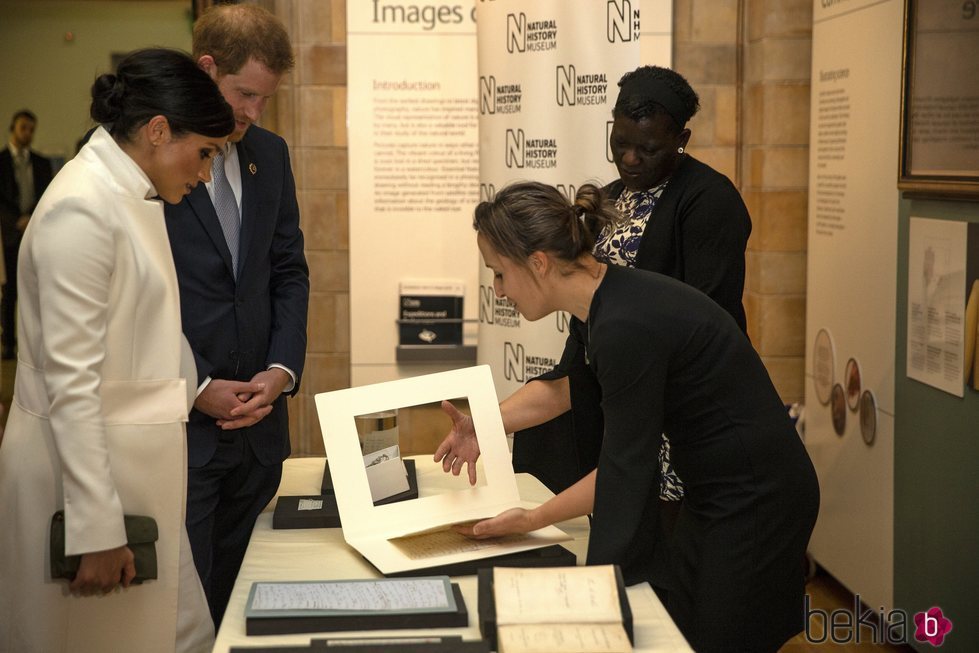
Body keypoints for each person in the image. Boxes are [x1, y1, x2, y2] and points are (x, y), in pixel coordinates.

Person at [452, 181, 819, 652]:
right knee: (681, 630)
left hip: (757, 497)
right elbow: (569, 390)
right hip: (715, 489)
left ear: (538, 262)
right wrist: (481, 423)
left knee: (718, 638)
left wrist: (532, 519)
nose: (498, 290)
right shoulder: (604, 301)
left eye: (499, 274)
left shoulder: (623, 325)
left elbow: (626, 469)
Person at [0, 48, 234, 653]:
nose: (207, 173)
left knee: (183, 635)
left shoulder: (129, 194)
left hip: (136, 474)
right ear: (158, 131)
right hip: (82, 484)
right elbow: (71, 381)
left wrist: (200, 390)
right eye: (205, 152)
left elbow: (146, 324)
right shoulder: (82, 208)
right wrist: (96, 527)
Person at [507, 65, 752, 512]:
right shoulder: (610, 197)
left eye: (648, 148)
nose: (631, 159)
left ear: (682, 140)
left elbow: (707, 320)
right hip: (626, 406)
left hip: (688, 414)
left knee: (679, 546)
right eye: (620, 143)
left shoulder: (710, 201)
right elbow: (587, 327)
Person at [164, 4, 310, 628]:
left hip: (259, 435)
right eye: (244, 93)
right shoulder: (159, 154)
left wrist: (280, 370)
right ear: (206, 69)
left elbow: (288, 271)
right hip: (182, 433)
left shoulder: (270, 155)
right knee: (187, 616)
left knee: (248, 610)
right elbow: (146, 298)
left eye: (265, 99)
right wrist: (195, 387)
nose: (253, 113)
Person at [0, 109, 53, 359]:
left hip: (35, 229)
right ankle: (8, 343)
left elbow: (47, 194)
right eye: (23, 128)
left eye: (31, 129)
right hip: (8, 233)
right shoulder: (0, 161)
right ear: (13, 127)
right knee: (9, 291)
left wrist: (31, 217)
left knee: (37, 289)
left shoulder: (41, 163)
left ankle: (36, 345)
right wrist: (16, 221)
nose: (27, 133)